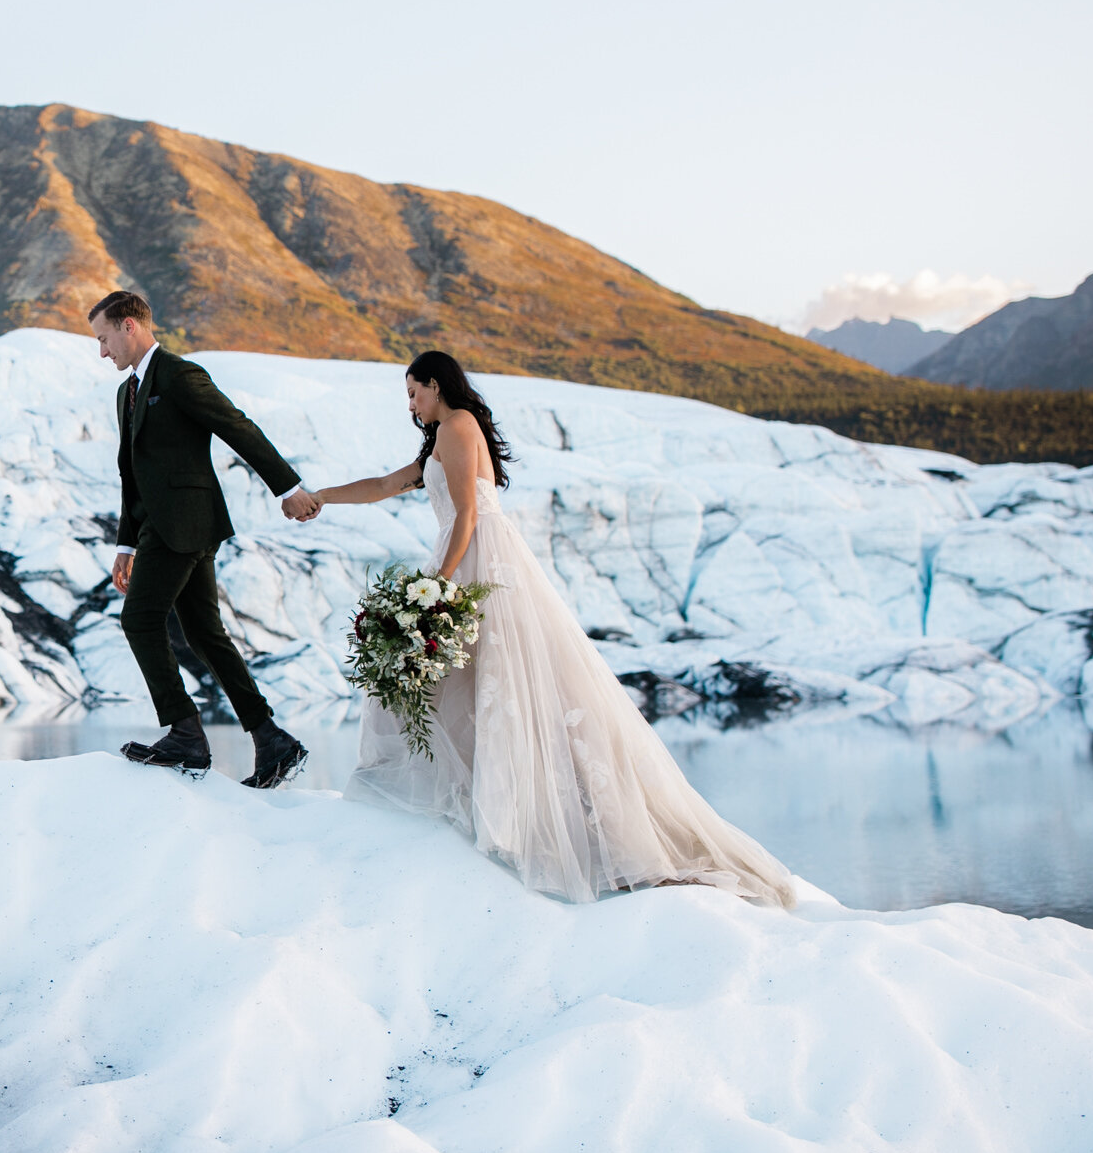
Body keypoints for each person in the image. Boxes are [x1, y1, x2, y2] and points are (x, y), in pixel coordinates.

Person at [305, 350, 796, 906]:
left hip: (477, 560)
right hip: (464, 560)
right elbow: (388, 483)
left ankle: (527, 822)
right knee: (456, 682)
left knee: (490, 684)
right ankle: (476, 806)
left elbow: (467, 513)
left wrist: (437, 594)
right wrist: (324, 496)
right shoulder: (444, 433)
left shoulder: (460, 425)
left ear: (436, 387)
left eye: (414, 393)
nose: (412, 405)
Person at [89, 289, 318, 788]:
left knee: (141, 618)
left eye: (105, 339)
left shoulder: (180, 375)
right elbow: (131, 474)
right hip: (161, 528)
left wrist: (289, 487)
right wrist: (125, 545)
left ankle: (185, 733)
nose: (102, 352)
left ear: (129, 326)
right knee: (205, 634)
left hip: (186, 523)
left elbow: (237, 427)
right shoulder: (126, 392)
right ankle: (270, 739)